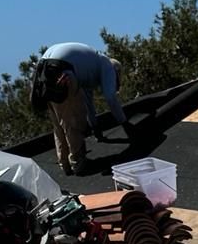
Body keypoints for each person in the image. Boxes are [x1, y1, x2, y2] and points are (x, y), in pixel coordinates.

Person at [31, 43, 134, 176]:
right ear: (116, 71)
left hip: (44, 73)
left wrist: (95, 128)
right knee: (73, 121)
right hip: (63, 73)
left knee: (59, 124)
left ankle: (65, 164)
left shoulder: (88, 67)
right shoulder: (107, 64)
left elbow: (88, 103)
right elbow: (110, 97)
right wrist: (125, 124)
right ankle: (78, 164)